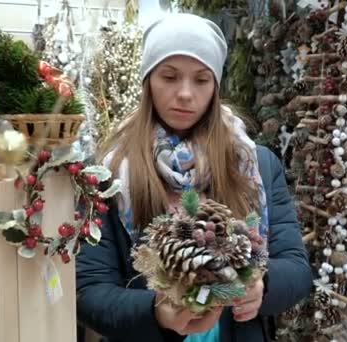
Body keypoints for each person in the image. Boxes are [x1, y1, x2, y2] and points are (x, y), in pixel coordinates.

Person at [76, 13, 312, 342]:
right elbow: (89, 291)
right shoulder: (108, 172)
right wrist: (156, 311)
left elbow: (298, 269)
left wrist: (263, 284)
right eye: (169, 77)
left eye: (201, 80)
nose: (185, 93)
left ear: (215, 86)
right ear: (148, 82)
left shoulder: (256, 165)